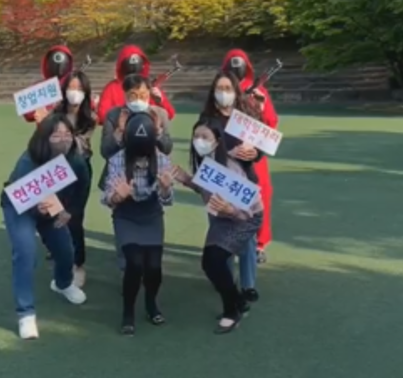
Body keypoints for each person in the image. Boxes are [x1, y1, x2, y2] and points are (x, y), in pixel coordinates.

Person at [173, 114, 263, 335]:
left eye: (204, 136)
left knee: (214, 261)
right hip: (223, 218)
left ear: (217, 140)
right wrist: (186, 179)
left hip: (245, 218)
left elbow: (247, 211)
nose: (198, 140)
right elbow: (206, 187)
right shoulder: (207, 161)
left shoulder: (230, 166)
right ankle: (237, 303)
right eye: (195, 136)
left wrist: (230, 210)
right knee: (211, 263)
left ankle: (231, 311)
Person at [1, 112, 88, 339]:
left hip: (52, 206)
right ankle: (26, 313)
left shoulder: (75, 160)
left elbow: (83, 188)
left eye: (68, 133)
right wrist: (34, 208)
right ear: (44, 137)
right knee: (26, 252)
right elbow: (21, 195)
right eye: (56, 134)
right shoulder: (28, 160)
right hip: (20, 207)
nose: (64, 138)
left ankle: (63, 283)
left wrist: (70, 212)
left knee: (66, 250)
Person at [102, 112, 174, 335]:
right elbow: (107, 198)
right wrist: (118, 196)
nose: (143, 157)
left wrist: (165, 188)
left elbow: (168, 200)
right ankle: (128, 312)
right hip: (126, 214)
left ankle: (151, 304)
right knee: (134, 263)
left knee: (154, 266)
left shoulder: (161, 159)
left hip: (151, 214)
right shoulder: (117, 160)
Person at [221, 49, 278, 262]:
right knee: (230, 198)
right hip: (228, 154)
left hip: (255, 157)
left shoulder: (258, 91)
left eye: (240, 64)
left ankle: (260, 245)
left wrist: (260, 106)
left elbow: (271, 125)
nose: (237, 69)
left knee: (261, 197)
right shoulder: (221, 90)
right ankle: (230, 241)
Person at [58, 71, 97, 287]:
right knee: (56, 215)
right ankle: (61, 259)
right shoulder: (55, 113)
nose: (75, 93)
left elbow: (80, 145)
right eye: (72, 88)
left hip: (79, 169)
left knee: (75, 217)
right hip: (56, 170)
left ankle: (78, 264)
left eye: (80, 90)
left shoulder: (89, 118)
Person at [96, 45, 175, 125]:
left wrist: (161, 101)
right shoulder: (111, 88)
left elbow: (169, 114)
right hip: (122, 134)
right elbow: (102, 116)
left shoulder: (149, 87)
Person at [23, 44, 74, 124]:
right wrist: (49, 103)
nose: (58, 67)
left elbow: (89, 105)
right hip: (46, 133)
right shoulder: (39, 87)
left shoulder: (75, 84)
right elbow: (27, 114)